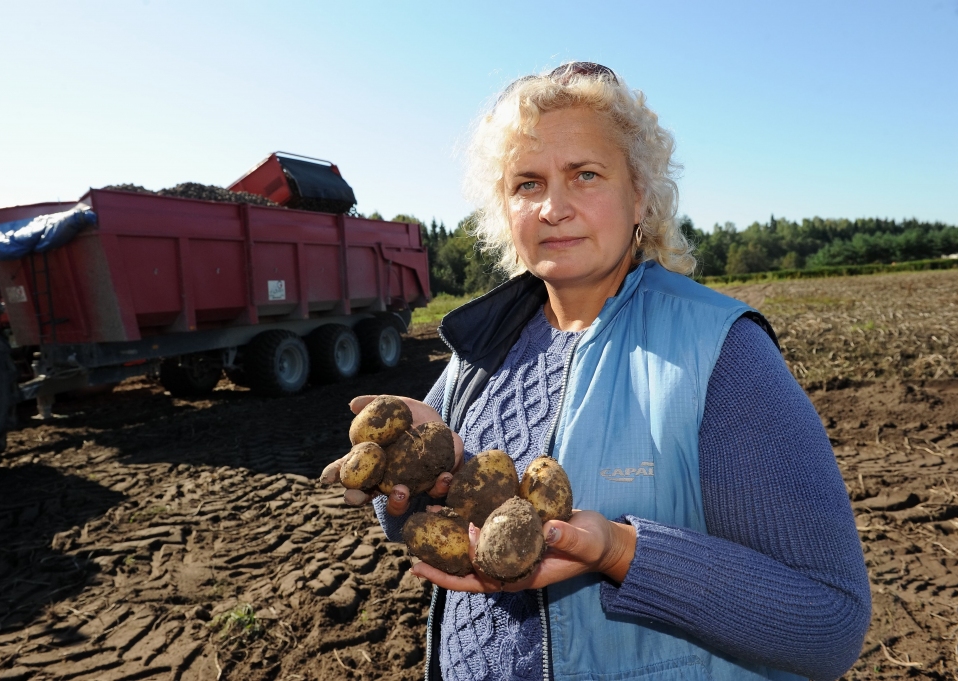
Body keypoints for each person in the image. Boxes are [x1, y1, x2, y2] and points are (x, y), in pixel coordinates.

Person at [322, 62, 870, 681]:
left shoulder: (721, 355)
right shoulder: (479, 352)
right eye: (528, 183)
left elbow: (829, 622)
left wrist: (617, 551)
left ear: (639, 193)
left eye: (585, 175)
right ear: (506, 208)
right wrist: (407, 474)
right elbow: (423, 519)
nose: (554, 207)